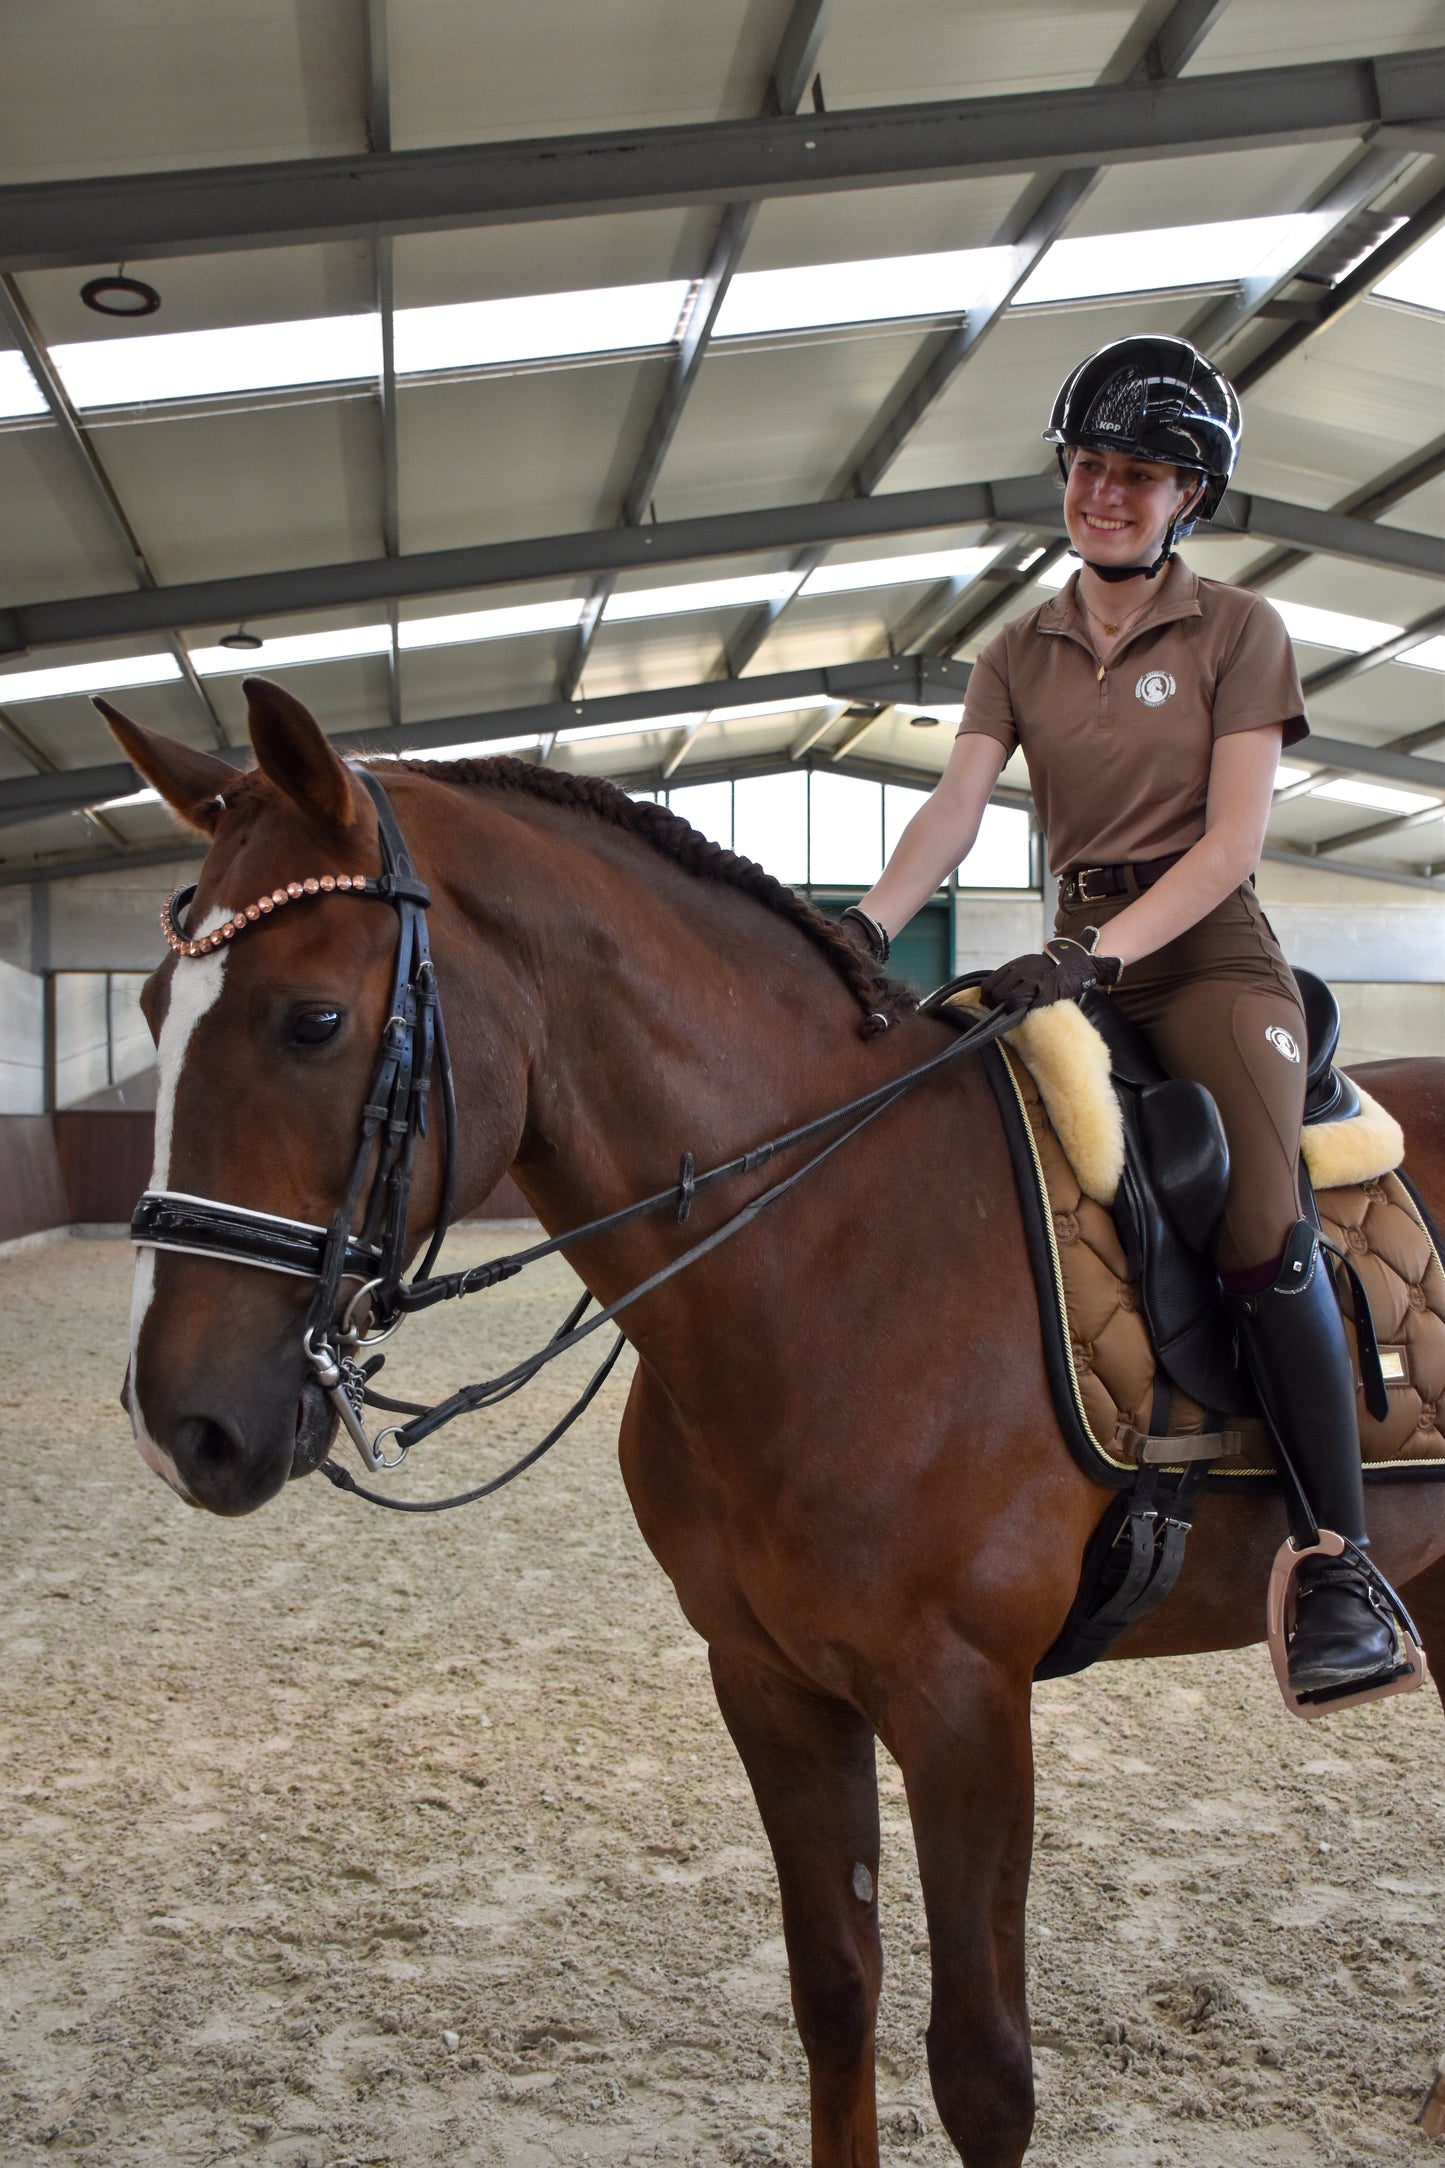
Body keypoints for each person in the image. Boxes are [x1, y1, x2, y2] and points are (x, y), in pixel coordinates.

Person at [840, 334, 1403, 1700]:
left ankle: (1338, 1560)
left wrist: (1093, 956)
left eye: (1137, 474)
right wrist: (857, 929)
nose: (1102, 491)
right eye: (1088, 465)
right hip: (1074, 953)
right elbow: (956, 807)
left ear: (1185, 496)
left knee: (1258, 1215)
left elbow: (1226, 848)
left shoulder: (1239, 633)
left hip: (1205, 958)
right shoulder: (1014, 647)